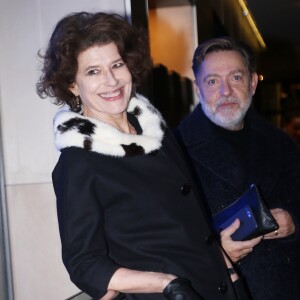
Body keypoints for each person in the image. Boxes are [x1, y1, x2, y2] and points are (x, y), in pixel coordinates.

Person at [36, 13, 250, 300]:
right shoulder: (79, 162)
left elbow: (192, 220)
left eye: (116, 65)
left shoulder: (156, 133)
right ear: (73, 85)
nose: (111, 81)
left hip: (219, 287)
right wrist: (165, 283)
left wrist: (229, 271)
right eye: (93, 72)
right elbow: (84, 264)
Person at [175, 37, 300, 300]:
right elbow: (163, 242)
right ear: (198, 88)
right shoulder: (174, 151)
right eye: (212, 81)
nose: (226, 91)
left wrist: (294, 223)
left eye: (235, 78)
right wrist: (215, 253)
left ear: (252, 83)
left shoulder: (280, 143)